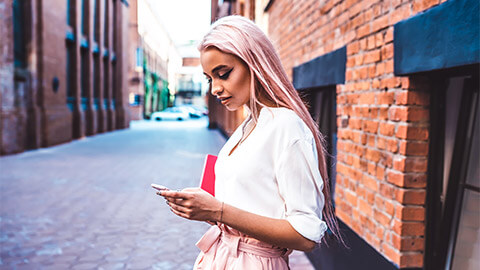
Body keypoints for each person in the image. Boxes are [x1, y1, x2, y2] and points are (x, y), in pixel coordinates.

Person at [158, 15, 343, 269]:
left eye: (223, 74)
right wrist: (205, 204)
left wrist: (216, 210)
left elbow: (306, 234)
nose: (215, 89)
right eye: (210, 79)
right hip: (223, 256)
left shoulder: (287, 126)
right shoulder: (248, 125)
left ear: (255, 63)